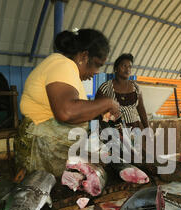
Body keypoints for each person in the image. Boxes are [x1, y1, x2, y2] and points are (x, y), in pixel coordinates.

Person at [14, 29, 120, 178]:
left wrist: (96, 110)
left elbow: (74, 111)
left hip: (49, 149)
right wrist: (108, 103)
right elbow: (66, 112)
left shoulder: (66, 70)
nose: (97, 72)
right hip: (40, 149)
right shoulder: (63, 65)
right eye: (97, 64)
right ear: (84, 56)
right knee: (40, 190)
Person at [95, 53, 149, 130]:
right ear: (116, 68)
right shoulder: (105, 88)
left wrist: (148, 130)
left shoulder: (136, 88)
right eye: (124, 66)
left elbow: (142, 112)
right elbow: (97, 113)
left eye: (130, 67)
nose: (127, 69)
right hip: (114, 134)